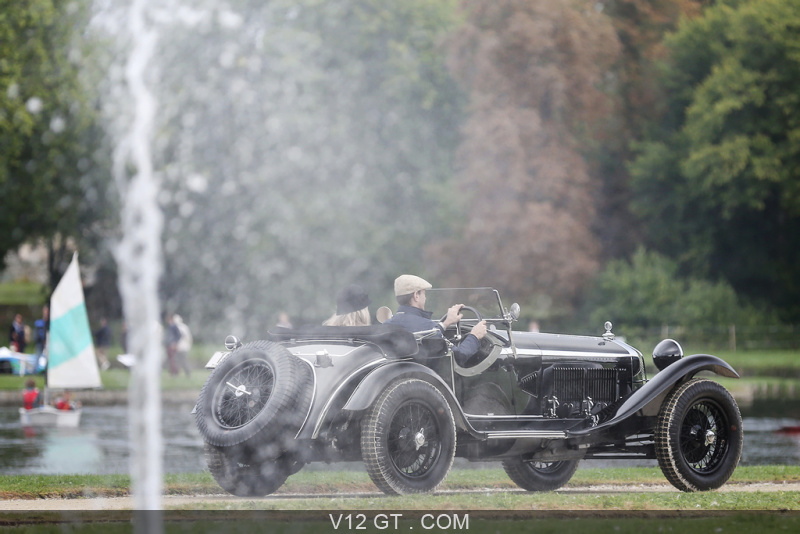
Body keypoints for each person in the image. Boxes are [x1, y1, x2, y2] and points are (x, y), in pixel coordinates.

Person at [386, 274, 487, 364]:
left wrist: (446, 323)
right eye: (424, 294)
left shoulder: (386, 325)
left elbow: (425, 333)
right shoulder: (427, 326)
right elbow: (459, 356)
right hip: (428, 377)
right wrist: (474, 336)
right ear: (416, 296)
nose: (425, 298)